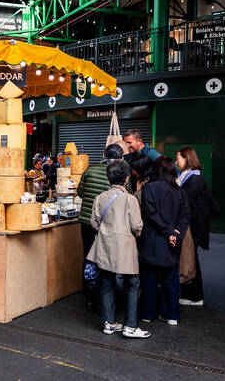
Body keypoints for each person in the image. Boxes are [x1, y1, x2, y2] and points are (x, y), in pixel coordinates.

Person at [88, 160, 149, 338]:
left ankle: (110, 323)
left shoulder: (100, 198)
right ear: (127, 179)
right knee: (133, 284)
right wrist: (132, 234)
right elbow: (137, 225)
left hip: (105, 246)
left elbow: (94, 223)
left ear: (108, 179)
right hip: (125, 247)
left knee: (106, 283)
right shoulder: (130, 199)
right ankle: (130, 326)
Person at [138, 156, 190, 326]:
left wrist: (168, 232)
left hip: (152, 240)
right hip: (172, 242)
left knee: (149, 279)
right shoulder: (180, 191)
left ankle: (148, 313)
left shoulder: (149, 188)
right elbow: (185, 216)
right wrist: (177, 234)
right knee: (171, 279)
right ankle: (172, 315)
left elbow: (151, 214)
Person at [77, 144, 124, 311]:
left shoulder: (90, 170)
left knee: (89, 257)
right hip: (111, 223)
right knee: (109, 259)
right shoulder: (121, 173)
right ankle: (109, 300)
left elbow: (80, 193)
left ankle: (90, 298)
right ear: (121, 157)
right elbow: (127, 197)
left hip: (88, 222)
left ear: (104, 153)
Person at [175, 147, 216, 306]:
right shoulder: (188, 176)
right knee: (190, 259)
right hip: (193, 224)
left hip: (193, 226)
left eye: (178, 158)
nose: (176, 161)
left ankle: (195, 296)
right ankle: (192, 294)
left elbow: (186, 200)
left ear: (187, 159)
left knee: (191, 260)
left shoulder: (194, 178)